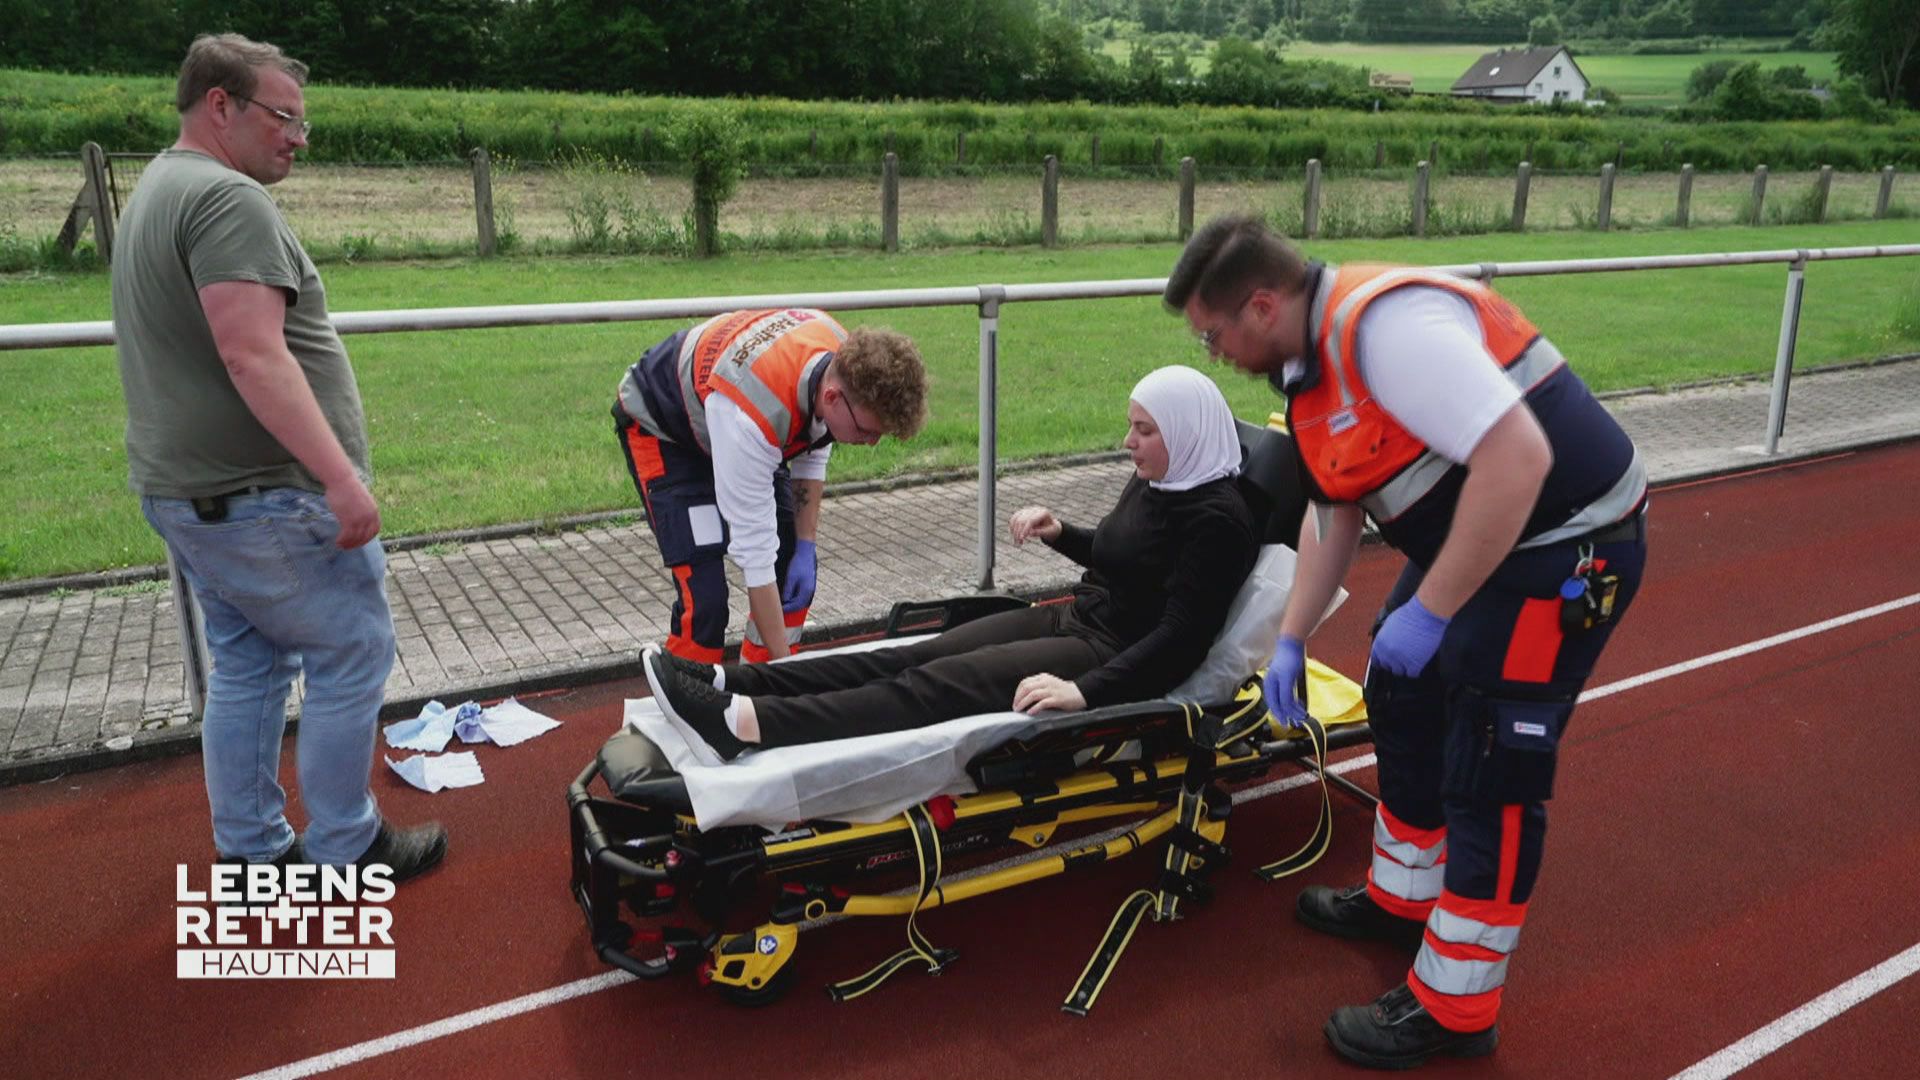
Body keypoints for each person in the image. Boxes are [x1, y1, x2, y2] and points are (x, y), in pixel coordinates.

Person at [1164, 214, 1648, 1070]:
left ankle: (1458, 1008)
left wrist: (1432, 611)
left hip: (1562, 546)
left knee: (1492, 767)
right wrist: (1291, 636)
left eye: (1213, 335)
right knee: (1402, 696)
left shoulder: (1390, 330)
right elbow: (1333, 508)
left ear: (1262, 305)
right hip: (1479, 536)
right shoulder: (1307, 366)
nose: (1215, 353)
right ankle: (1404, 897)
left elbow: (1518, 461)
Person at [110, 34, 445, 884]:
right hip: (265, 496)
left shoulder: (158, 186)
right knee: (351, 653)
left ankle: (252, 849)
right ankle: (347, 845)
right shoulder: (228, 200)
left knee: (249, 666)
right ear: (221, 105)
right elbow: (254, 354)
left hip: (192, 492)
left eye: (304, 122)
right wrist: (338, 478)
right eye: (284, 117)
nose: (298, 138)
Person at [646, 364, 1257, 758]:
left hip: (1108, 654)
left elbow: (1182, 639)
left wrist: (1082, 691)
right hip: (1075, 617)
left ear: (1185, 432)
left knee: (930, 688)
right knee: (911, 655)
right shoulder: (1163, 476)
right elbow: (1127, 557)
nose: (1128, 442)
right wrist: (1060, 532)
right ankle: (732, 681)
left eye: (1144, 430)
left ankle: (746, 725)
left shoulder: (1218, 520)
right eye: (1131, 426)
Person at [615, 310, 927, 665]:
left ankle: (758, 686)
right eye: (866, 431)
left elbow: (813, 448)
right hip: (668, 431)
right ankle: (687, 691)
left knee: (790, 561)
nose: (871, 443)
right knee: (706, 601)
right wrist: (786, 672)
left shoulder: (844, 363)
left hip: (734, 417)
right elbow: (756, 556)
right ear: (832, 398)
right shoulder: (753, 416)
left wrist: (806, 545)